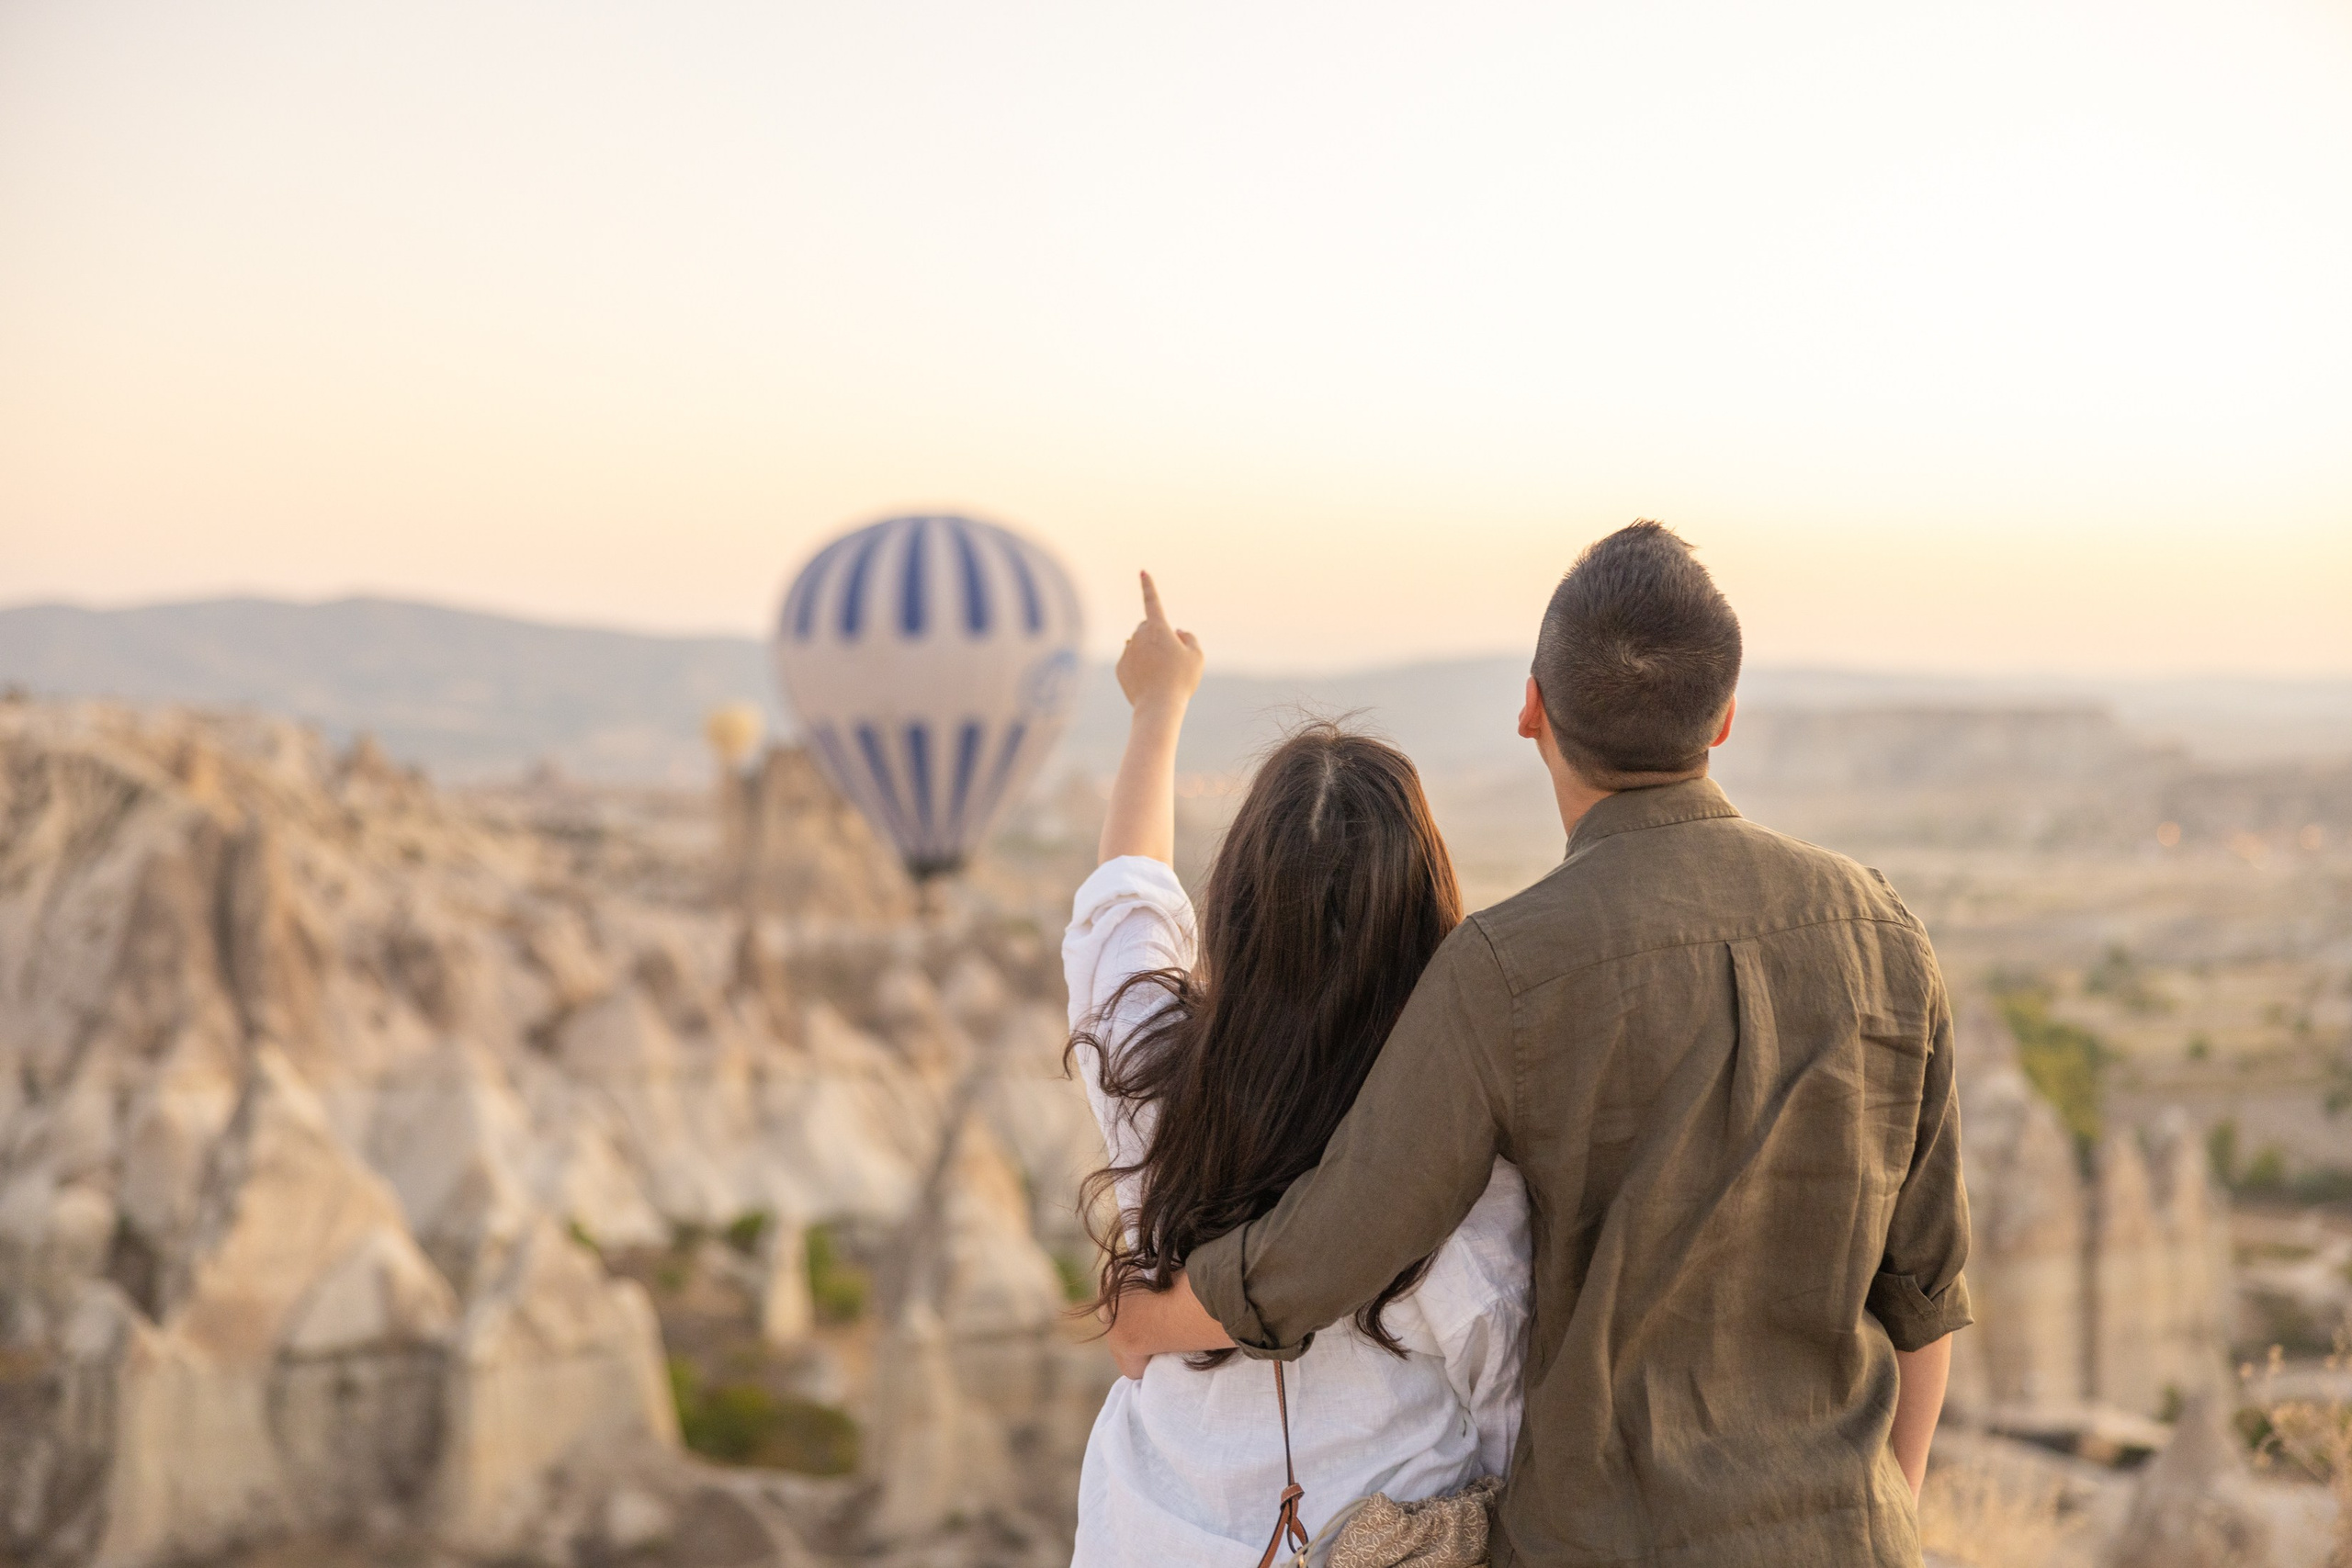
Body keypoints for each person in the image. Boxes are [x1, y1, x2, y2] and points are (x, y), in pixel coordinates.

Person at [1109, 523, 1973, 1568]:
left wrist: (1151, 1319)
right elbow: (1922, 1295)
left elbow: (1328, 1248)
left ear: (1530, 709)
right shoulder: (1882, 931)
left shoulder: (1506, 970)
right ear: (1725, 719)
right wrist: (1888, 1514)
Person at [1063, 572, 1532, 1567]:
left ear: (1232, 906)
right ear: (1426, 923)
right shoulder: (1461, 1175)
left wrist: (1158, 707)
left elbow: (1124, 898)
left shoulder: (1149, 1076)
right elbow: (1510, 1428)